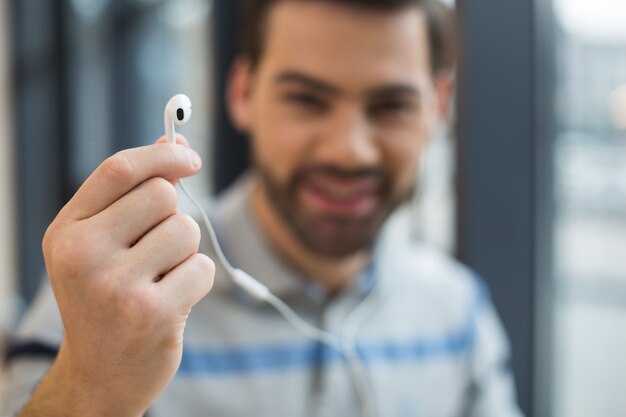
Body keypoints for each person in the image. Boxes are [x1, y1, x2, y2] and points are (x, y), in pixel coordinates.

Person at [3, 0, 523, 416]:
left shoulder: (459, 314)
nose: (349, 150)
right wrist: (90, 392)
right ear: (243, 93)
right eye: (306, 100)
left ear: (439, 106)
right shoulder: (112, 301)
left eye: (391, 106)